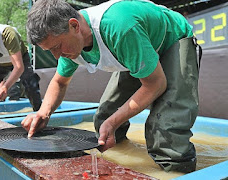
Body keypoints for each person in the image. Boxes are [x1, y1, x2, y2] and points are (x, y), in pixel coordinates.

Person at [22, 0, 201, 173]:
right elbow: (59, 81)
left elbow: (155, 84)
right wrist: (43, 112)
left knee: (165, 130)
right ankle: (121, 162)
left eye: (57, 47)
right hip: (136, 49)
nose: (57, 56)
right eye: (50, 51)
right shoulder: (68, 44)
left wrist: (114, 122)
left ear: (74, 25)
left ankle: (177, 170)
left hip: (172, 40)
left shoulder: (118, 28)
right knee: (104, 118)